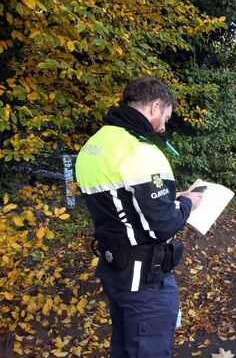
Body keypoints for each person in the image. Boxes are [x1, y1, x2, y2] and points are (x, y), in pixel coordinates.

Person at [75, 77, 203, 357]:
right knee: (147, 348)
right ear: (155, 107)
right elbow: (163, 225)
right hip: (144, 278)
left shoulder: (94, 145)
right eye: (166, 117)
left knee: (123, 344)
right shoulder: (141, 151)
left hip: (115, 267)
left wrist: (169, 198)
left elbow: (120, 199)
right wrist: (186, 203)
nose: (164, 126)